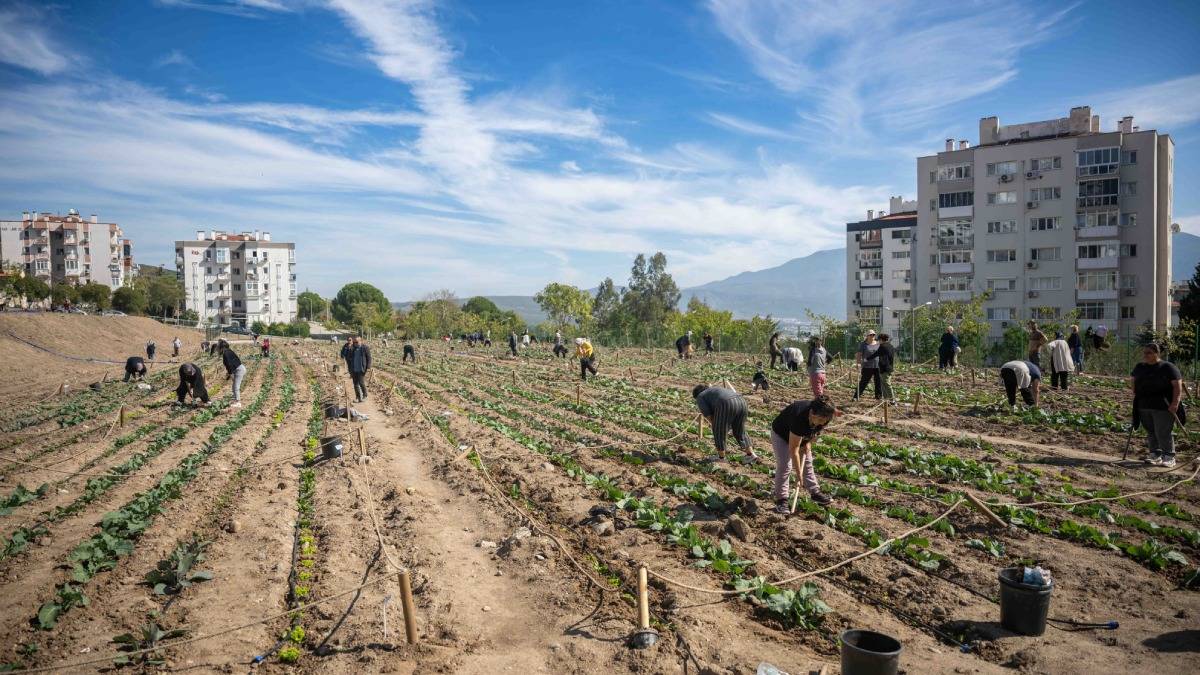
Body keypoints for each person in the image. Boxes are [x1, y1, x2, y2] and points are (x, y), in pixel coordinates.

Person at [769, 395, 836, 514]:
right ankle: (782, 500)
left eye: (824, 421)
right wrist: (799, 474)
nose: (822, 423)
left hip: (801, 435)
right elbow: (793, 449)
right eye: (820, 420)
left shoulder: (825, 417)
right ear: (811, 413)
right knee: (785, 465)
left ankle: (815, 493)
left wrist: (808, 442)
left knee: (808, 461)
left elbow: (817, 431)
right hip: (781, 434)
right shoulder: (799, 417)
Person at [1131, 343, 1182, 468]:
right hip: (1144, 404)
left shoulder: (1167, 367)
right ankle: (1155, 454)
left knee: (1163, 431)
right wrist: (1136, 391)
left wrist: (1175, 403)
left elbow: (1177, 385)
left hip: (1163, 405)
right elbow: (1133, 379)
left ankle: (1169, 456)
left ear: (1157, 353)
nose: (1145, 355)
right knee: (1151, 431)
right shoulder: (1140, 366)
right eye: (1145, 353)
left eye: (1149, 353)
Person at [692, 384, 753, 462]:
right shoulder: (714, 390)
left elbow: (709, 417)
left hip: (726, 403)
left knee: (718, 430)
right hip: (741, 401)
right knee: (740, 430)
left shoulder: (700, 396)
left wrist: (718, 426)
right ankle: (750, 455)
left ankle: (721, 458)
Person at [854, 330, 882, 400]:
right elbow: (859, 355)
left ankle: (878, 397)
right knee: (863, 382)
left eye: (873, 335)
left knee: (878, 383)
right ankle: (856, 397)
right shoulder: (863, 344)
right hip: (867, 367)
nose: (872, 336)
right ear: (867, 336)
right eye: (871, 335)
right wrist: (858, 363)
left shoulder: (878, 344)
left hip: (877, 366)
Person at [220, 340, 247, 408]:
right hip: (239, 369)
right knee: (234, 386)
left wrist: (230, 373)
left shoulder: (226, 353)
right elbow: (232, 363)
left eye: (218, 346)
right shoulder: (229, 351)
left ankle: (238, 402)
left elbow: (229, 364)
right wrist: (229, 373)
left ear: (222, 347)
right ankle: (235, 398)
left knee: (236, 386)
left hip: (239, 370)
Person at [349, 336, 372, 402]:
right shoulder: (353, 348)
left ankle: (365, 395)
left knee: (361, 382)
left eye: (356, 342)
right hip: (354, 368)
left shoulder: (365, 348)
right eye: (354, 342)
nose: (355, 343)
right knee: (355, 384)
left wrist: (368, 367)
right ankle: (358, 397)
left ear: (361, 341)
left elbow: (369, 358)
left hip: (362, 368)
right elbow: (350, 358)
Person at [877, 334, 897, 402]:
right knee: (883, 384)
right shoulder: (891, 346)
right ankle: (886, 400)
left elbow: (883, 358)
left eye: (879, 340)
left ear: (881, 340)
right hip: (889, 367)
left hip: (885, 368)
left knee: (886, 383)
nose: (878, 341)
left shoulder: (882, 346)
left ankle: (892, 400)